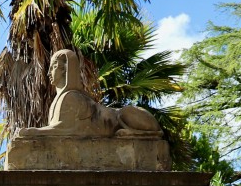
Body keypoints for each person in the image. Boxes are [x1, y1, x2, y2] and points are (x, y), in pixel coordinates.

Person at [18, 49, 162, 138]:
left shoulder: (72, 97)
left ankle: (142, 133)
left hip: (123, 119)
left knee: (126, 112)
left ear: (65, 69)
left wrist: (35, 132)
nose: (49, 73)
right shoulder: (63, 98)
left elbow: (65, 129)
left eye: (53, 67)